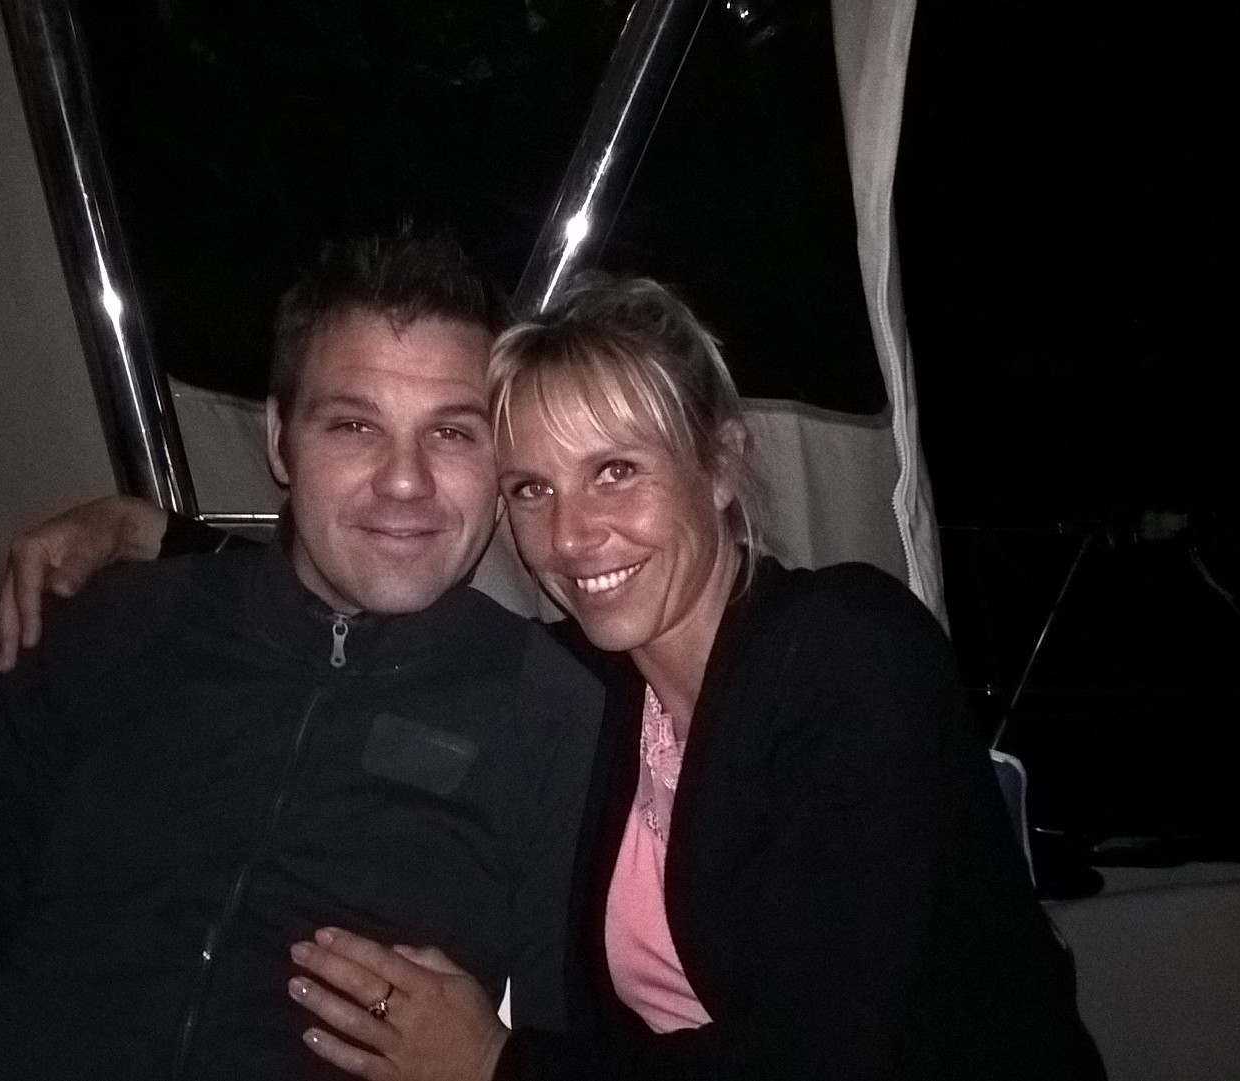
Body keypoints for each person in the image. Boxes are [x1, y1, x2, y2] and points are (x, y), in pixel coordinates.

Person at [281, 274, 1106, 1079]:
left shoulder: (847, 650)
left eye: (615, 470)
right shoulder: (597, 686)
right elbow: (417, 649)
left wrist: (494, 1062)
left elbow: (829, 1054)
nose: (569, 536)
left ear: (718, 465)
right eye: (532, 488)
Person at [0, 236, 602, 1081]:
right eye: (354, 425)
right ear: (279, 439)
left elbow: (569, 1038)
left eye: (451, 433)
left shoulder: (553, 711)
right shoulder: (106, 634)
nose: (404, 481)